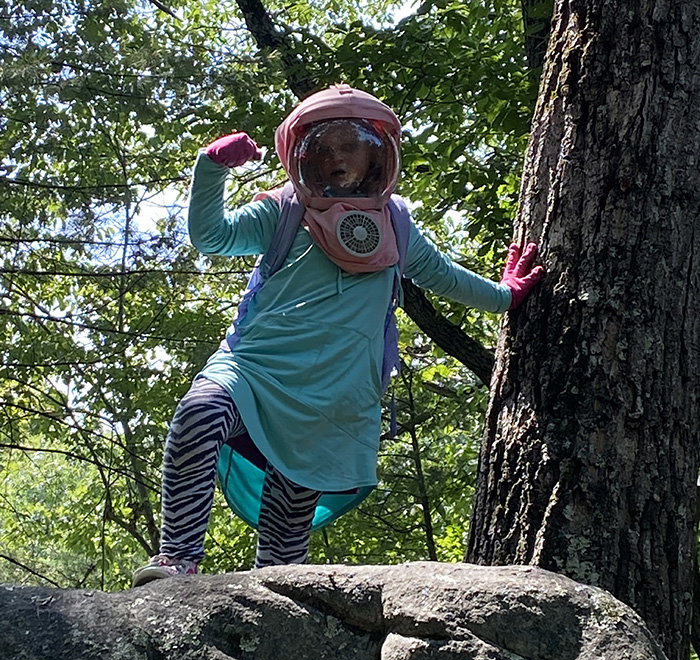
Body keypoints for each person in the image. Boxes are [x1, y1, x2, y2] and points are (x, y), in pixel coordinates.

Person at [132, 84, 543, 586]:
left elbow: (444, 276)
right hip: (253, 372)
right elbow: (211, 236)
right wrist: (211, 168)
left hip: (333, 399)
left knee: (289, 516)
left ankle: (277, 597)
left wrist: (505, 296)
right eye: (323, 148)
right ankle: (178, 558)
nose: (336, 158)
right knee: (200, 414)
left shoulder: (396, 223)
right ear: (301, 157)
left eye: (351, 145)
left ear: (378, 155)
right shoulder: (283, 210)